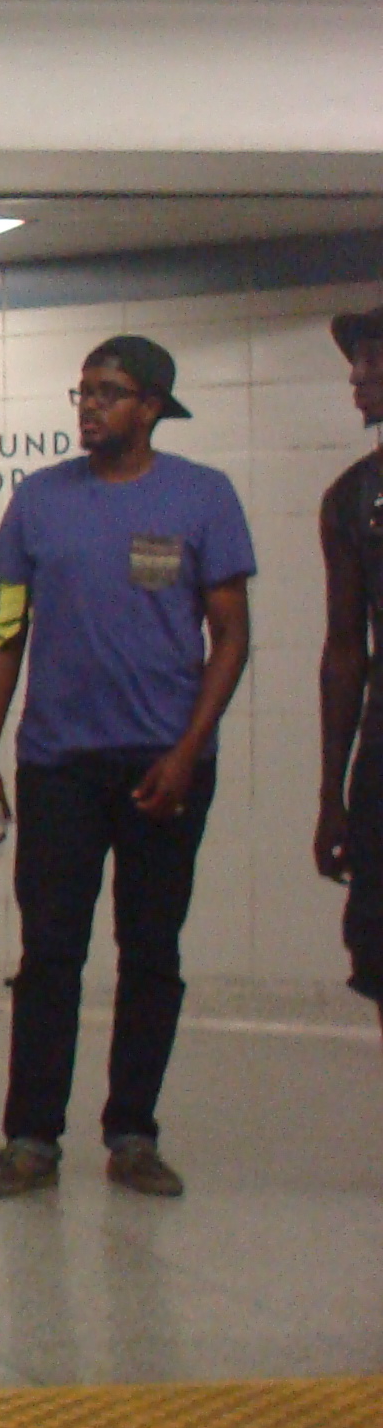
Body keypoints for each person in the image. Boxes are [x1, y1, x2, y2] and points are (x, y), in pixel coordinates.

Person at [0, 336, 256, 1201]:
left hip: (163, 766)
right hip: (57, 764)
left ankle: (132, 1132)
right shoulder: (38, 502)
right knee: (50, 952)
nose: (90, 406)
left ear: (153, 406)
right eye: (82, 391)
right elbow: (2, 629)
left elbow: (231, 637)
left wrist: (186, 748)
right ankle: (30, 1138)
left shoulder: (203, 496)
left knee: (150, 950)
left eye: (110, 392)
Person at [315, 305, 383, 1042]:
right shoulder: (352, 499)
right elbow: (344, 651)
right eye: (358, 362)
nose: (358, 379)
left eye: (374, 362)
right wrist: (332, 795)